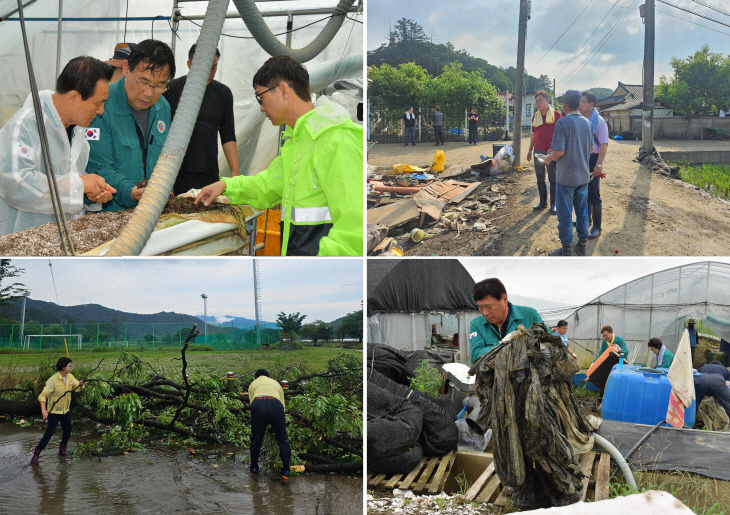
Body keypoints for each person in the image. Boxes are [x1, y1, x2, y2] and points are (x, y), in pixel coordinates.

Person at [194, 55, 363, 256]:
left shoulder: (335, 139)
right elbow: (268, 185)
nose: (261, 107)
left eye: (261, 96)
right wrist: (226, 186)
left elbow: (354, 230)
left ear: (283, 90)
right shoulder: (298, 140)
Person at [0, 56, 116, 235]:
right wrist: (80, 185)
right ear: (74, 98)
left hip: (61, 242)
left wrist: (89, 195)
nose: (101, 111)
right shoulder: (25, 126)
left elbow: (68, 193)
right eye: (98, 103)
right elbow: (15, 185)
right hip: (22, 241)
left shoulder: (78, 135)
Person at [86, 39, 175, 212]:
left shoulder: (163, 107)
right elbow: (98, 167)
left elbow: (166, 158)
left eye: (159, 86)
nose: (149, 93)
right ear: (126, 69)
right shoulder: (101, 104)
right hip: (109, 216)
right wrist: (130, 192)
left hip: (151, 213)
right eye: (143, 81)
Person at [163, 43, 239, 195]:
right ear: (189, 64)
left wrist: (235, 171)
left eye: (214, 67)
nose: (210, 73)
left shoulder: (223, 94)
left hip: (208, 170)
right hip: (174, 171)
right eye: (204, 67)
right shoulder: (170, 90)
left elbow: (228, 135)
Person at [542, 90, 591, 256]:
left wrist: (549, 158)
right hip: (583, 176)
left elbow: (559, 153)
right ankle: (582, 246)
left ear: (564, 104)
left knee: (565, 216)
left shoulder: (562, 123)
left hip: (566, 178)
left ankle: (566, 250)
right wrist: (555, 151)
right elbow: (590, 148)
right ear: (579, 104)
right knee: (583, 213)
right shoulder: (587, 123)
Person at [469, 278, 543, 362]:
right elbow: (475, 356)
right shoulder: (476, 324)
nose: (485, 313)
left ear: (504, 299)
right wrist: (503, 343)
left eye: (489, 307)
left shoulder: (530, 315)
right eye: (480, 307)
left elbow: (551, 344)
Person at [30, 357, 85, 465]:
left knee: (68, 429)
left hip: (65, 411)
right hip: (54, 412)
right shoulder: (52, 380)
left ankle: (62, 449)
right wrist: (44, 411)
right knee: (49, 433)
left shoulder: (70, 377)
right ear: (63, 367)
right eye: (69, 366)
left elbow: (76, 387)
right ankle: (36, 455)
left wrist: (81, 385)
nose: (70, 368)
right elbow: (42, 396)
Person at [248, 369, 290, 480]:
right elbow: (283, 406)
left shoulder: (253, 384)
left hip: (258, 404)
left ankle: (254, 467)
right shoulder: (276, 383)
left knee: (256, 438)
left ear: (256, 377)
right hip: (275, 404)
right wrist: (275, 426)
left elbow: (252, 404)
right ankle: (286, 470)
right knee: (283, 439)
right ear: (268, 376)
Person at [578, 91, 608, 239]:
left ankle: (597, 226)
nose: (580, 104)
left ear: (592, 104)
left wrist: (599, 165)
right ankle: (586, 220)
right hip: (581, 158)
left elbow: (603, 145)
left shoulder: (600, 122)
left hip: (593, 159)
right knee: (583, 191)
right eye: (579, 101)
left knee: (594, 193)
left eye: (583, 101)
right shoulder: (580, 119)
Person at [526, 90, 562, 214]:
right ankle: (543, 202)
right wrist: (530, 150)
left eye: (540, 101)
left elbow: (561, 134)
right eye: (536, 101)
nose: (538, 103)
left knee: (553, 178)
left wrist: (554, 147)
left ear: (547, 101)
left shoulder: (557, 115)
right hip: (538, 150)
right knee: (540, 177)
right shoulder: (535, 116)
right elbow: (533, 134)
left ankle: (554, 204)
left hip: (551, 152)